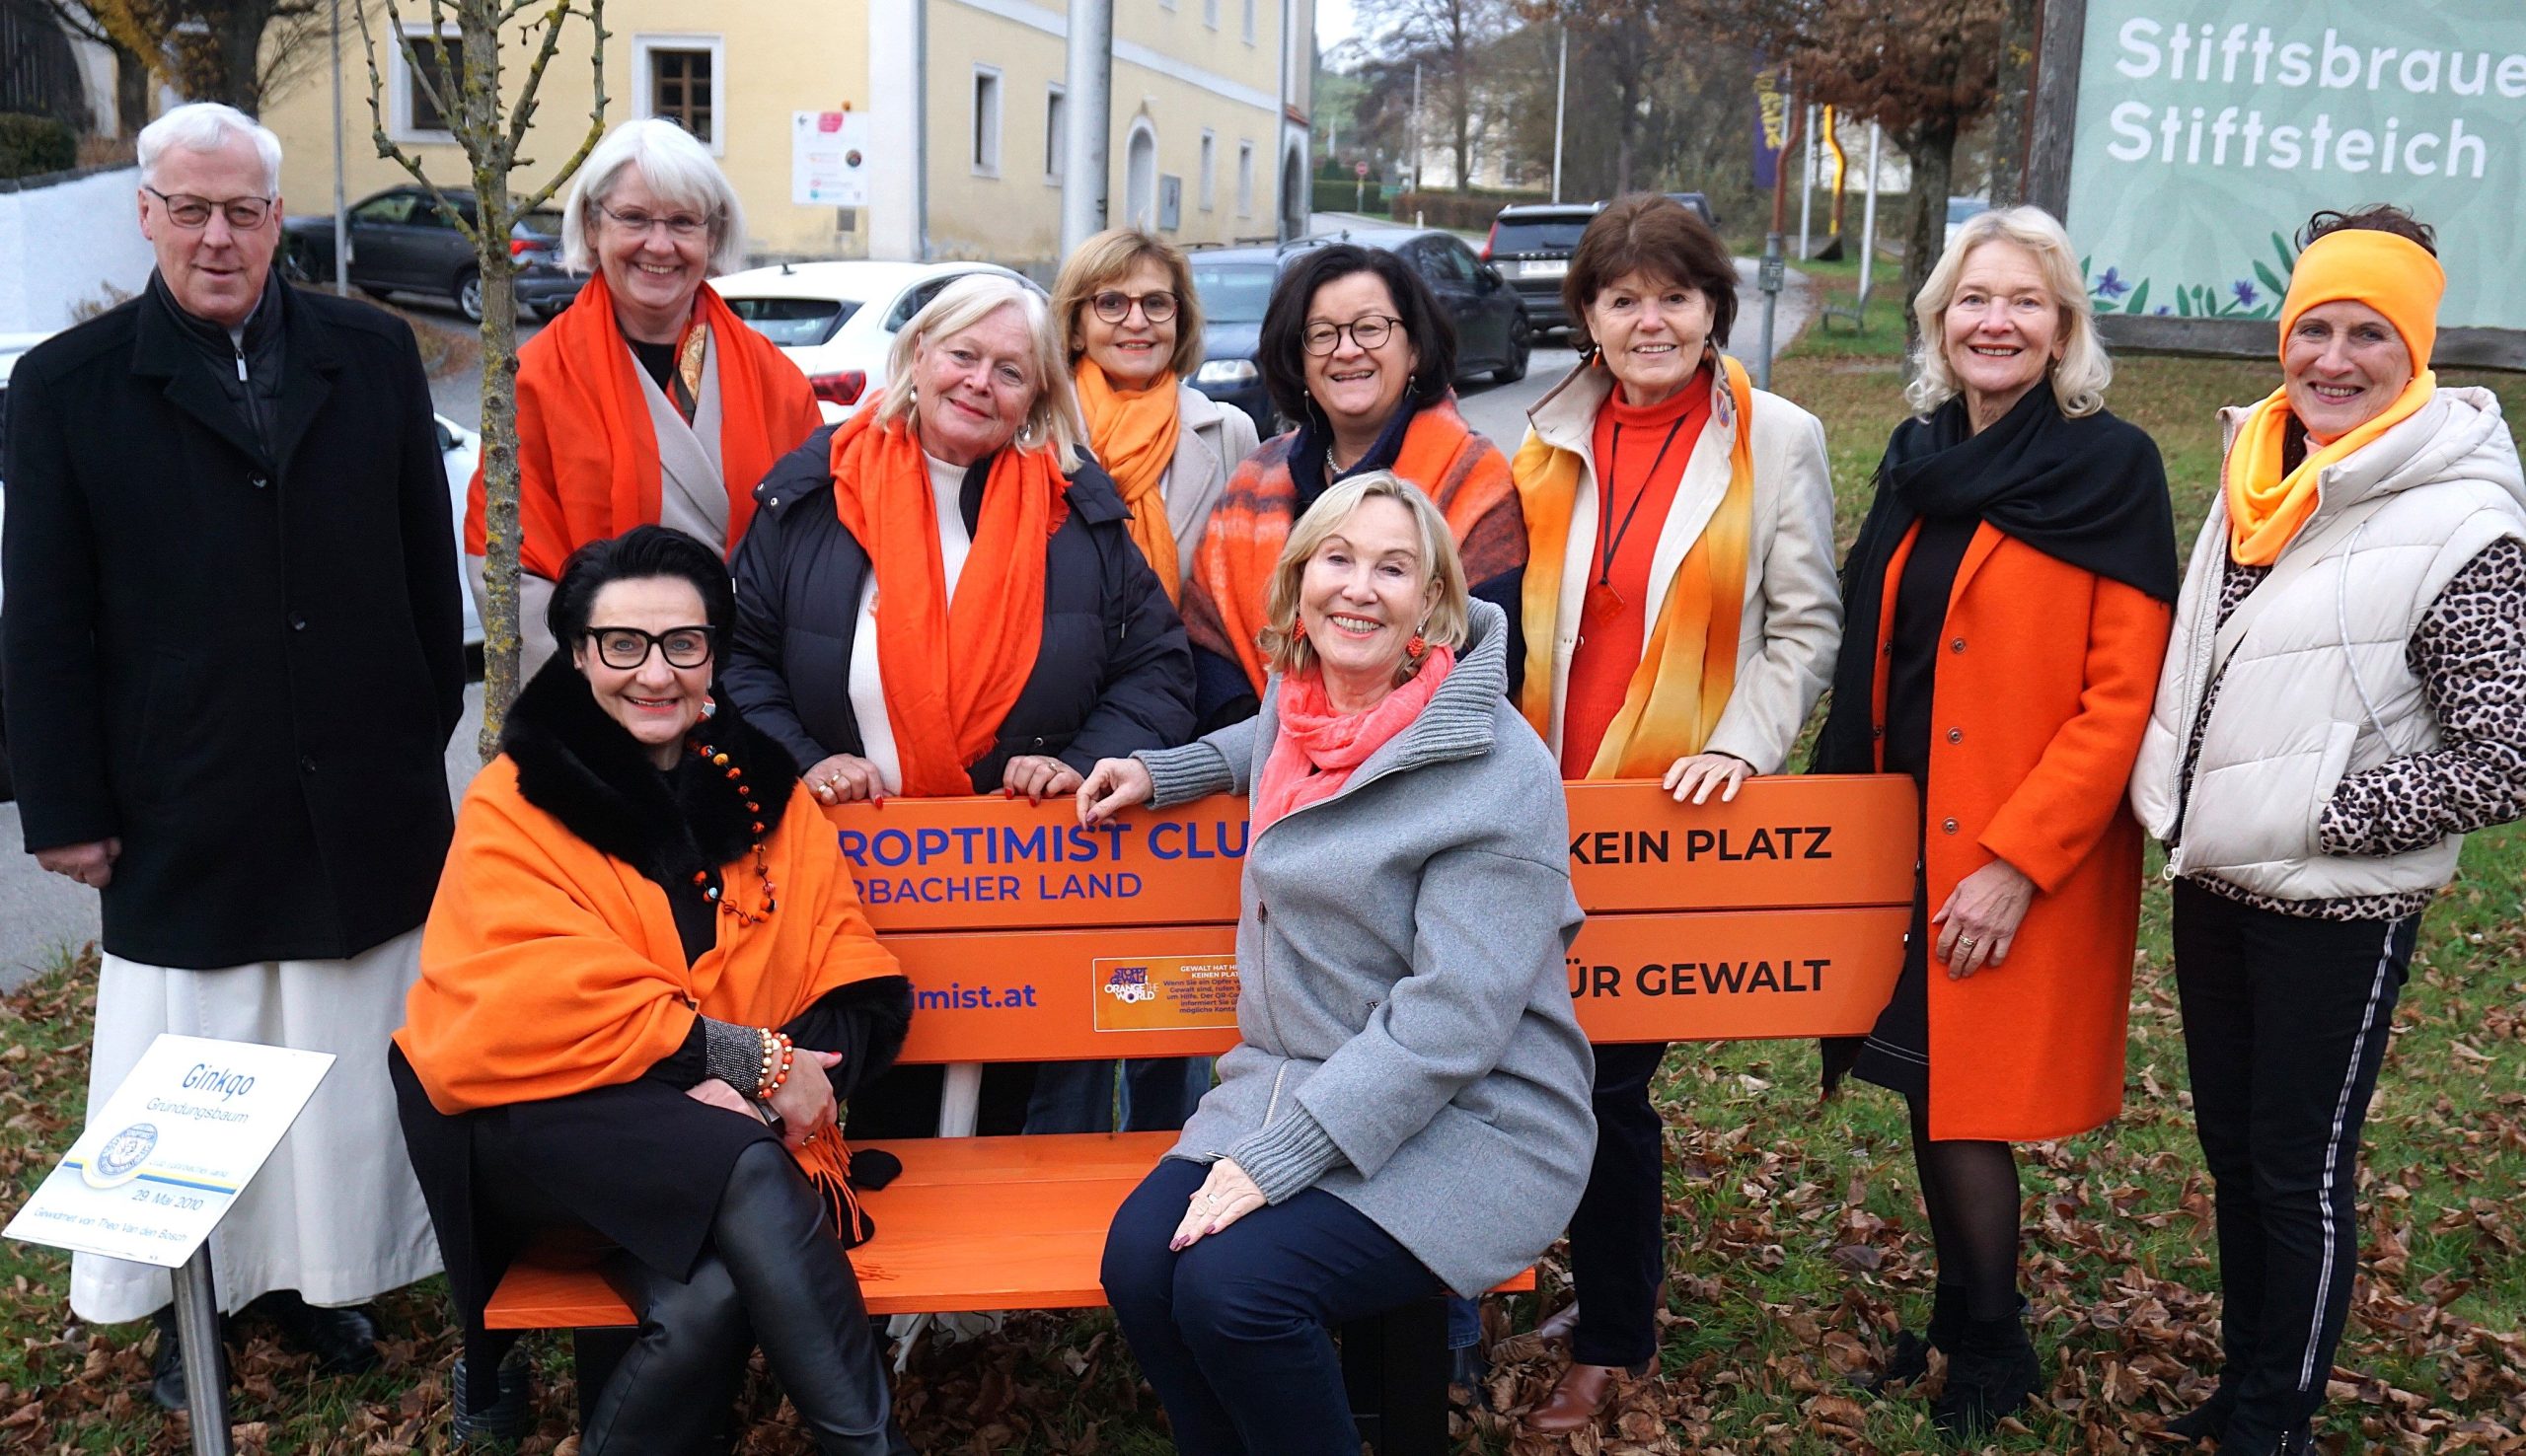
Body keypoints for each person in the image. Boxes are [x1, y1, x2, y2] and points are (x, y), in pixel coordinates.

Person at [0, 103, 463, 1408]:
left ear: (276, 220)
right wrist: (64, 804)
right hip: (179, 796)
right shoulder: (67, 385)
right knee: (195, 1060)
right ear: (145, 214)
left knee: (338, 1056)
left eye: (244, 211)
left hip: (356, 786)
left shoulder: (371, 353)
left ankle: (322, 1281)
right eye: (191, 209)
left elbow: (425, 570)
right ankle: (188, 1304)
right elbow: (42, 615)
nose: (218, 236)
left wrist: (410, 730)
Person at [1081, 472, 1597, 1454]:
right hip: (1292, 1079)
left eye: (1392, 569)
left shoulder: (1496, 772)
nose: (1359, 587)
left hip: (1471, 1113)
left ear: (1431, 604)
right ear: (1300, 583)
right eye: (1338, 558)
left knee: (1235, 1291)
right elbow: (1274, 737)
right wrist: (1169, 770)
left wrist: (1277, 1161)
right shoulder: (1307, 701)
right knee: (1141, 1269)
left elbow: (1452, 1020)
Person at [2128, 207, 2526, 1456]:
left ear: (2416, 354)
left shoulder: (2464, 521)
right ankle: (2243, 1388)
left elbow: (2505, 755)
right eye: (2313, 329)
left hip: (2334, 903)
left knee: (2294, 1166)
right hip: (2217, 877)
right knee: (2234, 1152)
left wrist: (2325, 812)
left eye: (2368, 335)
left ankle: (2274, 1421)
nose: (2333, 360)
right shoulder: (2261, 472)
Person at [394, 526, 917, 1454]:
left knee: (704, 1298)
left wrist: (763, 1091)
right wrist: (754, 1066)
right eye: (622, 645)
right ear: (579, 653)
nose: (655, 673)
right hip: (533, 1119)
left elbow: (848, 962)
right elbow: (533, 998)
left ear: (713, 653)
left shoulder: (764, 793)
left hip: (710, 1130)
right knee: (741, 1163)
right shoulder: (518, 798)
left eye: (683, 643)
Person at [1809, 205, 2178, 1437]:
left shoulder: (2108, 467)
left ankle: (1994, 1344)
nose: (1995, 322)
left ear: (2062, 328)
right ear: (1939, 320)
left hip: (2009, 843)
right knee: (1929, 1086)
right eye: (1973, 300)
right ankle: (1961, 1315)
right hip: (1902, 828)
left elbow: (2121, 697)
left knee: (1964, 1101)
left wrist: (2018, 863)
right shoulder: (1918, 455)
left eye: (2024, 302)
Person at [1508, 193, 1842, 1432]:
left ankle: (1613, 1335)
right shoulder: (1546, 437)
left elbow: (1803, 626)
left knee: (1606, 1079)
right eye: (1621, 299)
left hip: (1666, 807)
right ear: (1587, 316)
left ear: (1713, 310)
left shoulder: (1778, 438)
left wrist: (1738, 745)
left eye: (1673, 297)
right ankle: (1600, 1276)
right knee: (1536, 1058)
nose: (1648, 321)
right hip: (1537, 798)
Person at [723, 272, 1195, 1137]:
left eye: (1011, 371)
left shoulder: (1079, 513)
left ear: (1037, 398)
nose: (981, 383)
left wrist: (1080, 763)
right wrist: (804, 760)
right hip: (846, 875)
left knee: (1017, 1123)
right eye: (963, 355)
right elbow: (736, 660)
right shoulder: (811, 493)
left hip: (1020, 882)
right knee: (865, 1111)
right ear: (917, 356)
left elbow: (1157, 669)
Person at [1032, 227, 1260, 1134]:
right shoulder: (1036, 429)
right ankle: (1063, 1169)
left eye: (1156, 303)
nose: (1136, 321)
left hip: (1188, 739)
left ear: (1183, 319)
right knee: (1072, 981)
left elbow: (1241, 586)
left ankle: (1173, 1157)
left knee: (1177, 975)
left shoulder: (1226, 432)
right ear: (1076, 321)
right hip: (1066, 739)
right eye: (1112, 303)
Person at [465, 116, 822, 676]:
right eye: (633, 218)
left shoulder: (776, 380)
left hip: (744, 685)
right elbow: (508, 564)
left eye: (682, 222)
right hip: (598, 688)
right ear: (592, 225)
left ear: (712, 234)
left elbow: (813, 557)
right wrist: (615, 682)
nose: (659, 245)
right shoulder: (535, 379)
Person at [1180, 244, 1526, 730]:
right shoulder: (1253, 480)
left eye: (1370, 328)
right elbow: (1209, 642)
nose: (1346, 350)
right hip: (1257, 760)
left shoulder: (1472, 477)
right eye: (1322, 334)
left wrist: (1353, 746)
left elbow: (1490, 654)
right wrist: (1266, 745)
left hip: (1422, 756)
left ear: (1415, 349)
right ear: (1299, 360)